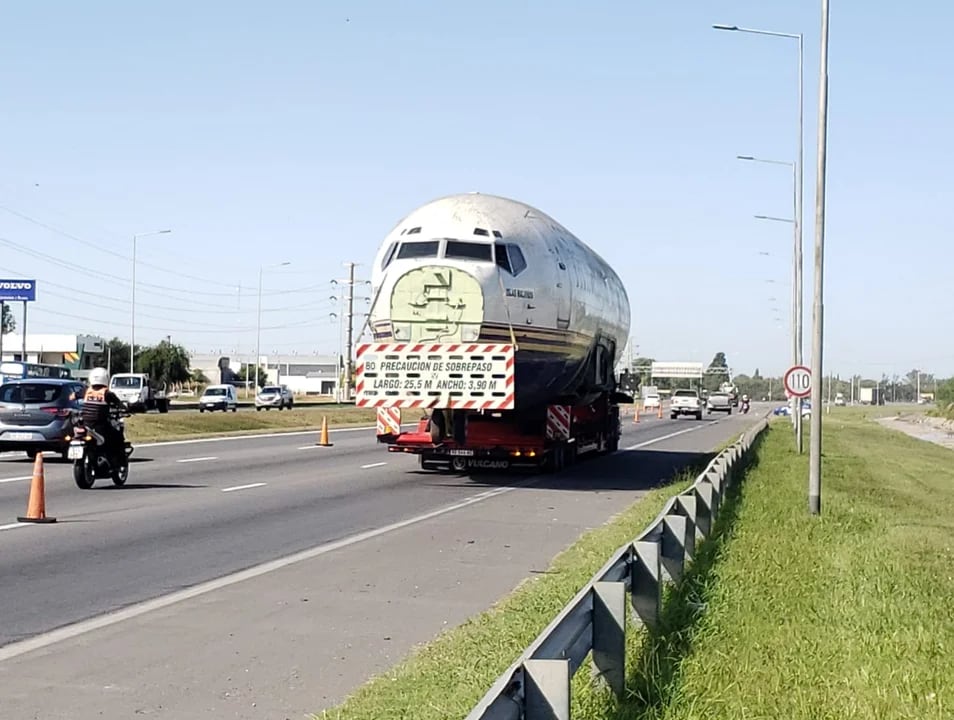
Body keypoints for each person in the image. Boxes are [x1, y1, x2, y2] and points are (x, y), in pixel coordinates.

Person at [80, 367, 127, 462]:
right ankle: (115, 459)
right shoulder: (106, 393)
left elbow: (72, 396)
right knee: (116, 436)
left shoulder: (86, 391)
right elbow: (120, 404)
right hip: (100, 424)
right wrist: (126, 409)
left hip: (86, 423)